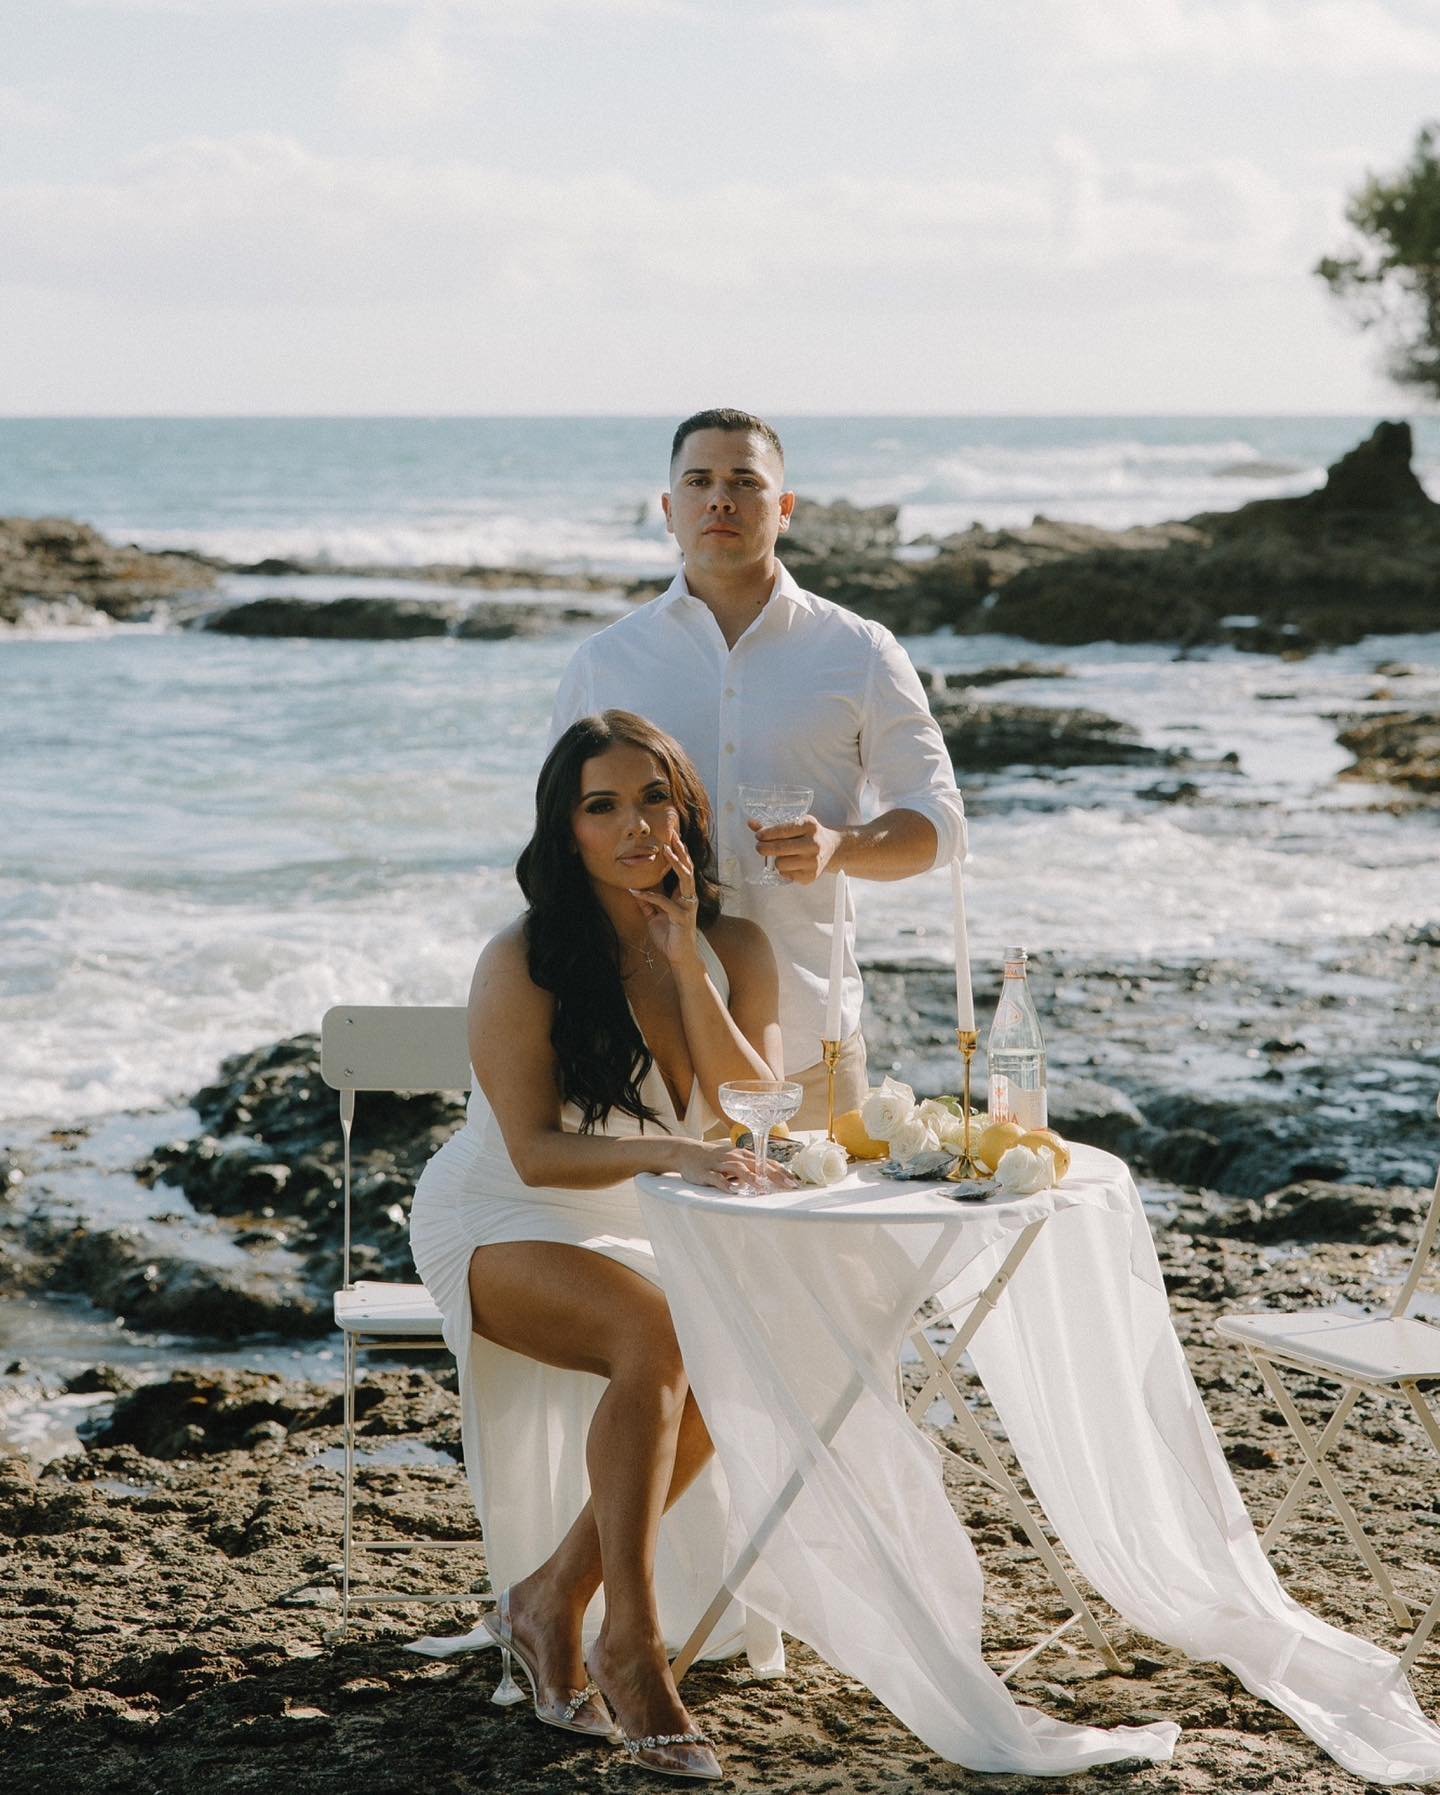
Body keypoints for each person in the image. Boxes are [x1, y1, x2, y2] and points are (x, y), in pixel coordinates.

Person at [409, 709, 793, 1784]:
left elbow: (744, 1105)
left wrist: (683, 960)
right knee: (663, 1340)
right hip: (500, 1218)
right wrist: (671, 1151)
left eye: (653, 798)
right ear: (564, 829)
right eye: (602, 806)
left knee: (733, 1351)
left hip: (637, 1222)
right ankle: (630, 1643)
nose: (633, 826)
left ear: (687, 811)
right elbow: (530, 1151)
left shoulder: (737, 945)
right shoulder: (524, 956)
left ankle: (546, 1600)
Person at [550, 407, 966, 1128]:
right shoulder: (606, 662)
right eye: (700, 481)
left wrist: (841, 847)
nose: (721, 499)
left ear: (785, 508)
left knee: (817, 1245)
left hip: (813, 1043)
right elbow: (559, 842)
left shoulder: (860, 652)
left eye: (745, 481)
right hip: (642, 1054)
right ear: (668, 509)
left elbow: (941, 823)